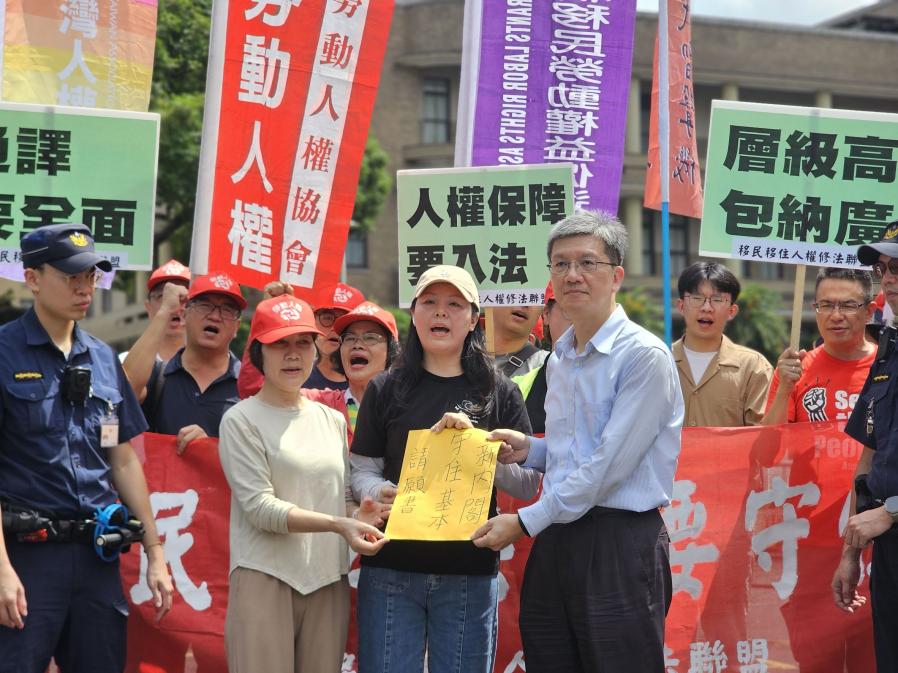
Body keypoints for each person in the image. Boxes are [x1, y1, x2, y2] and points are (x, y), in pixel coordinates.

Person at [471, 210, 683, 673]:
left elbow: (610, 466)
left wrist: (526, 522)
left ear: (617, 276)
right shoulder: (561, 359)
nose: (573, 275)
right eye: (560, 264)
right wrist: (531, 449)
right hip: (559, 537)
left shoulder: (643, 356)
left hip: (618, 542)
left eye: (588, 263)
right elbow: (577, 451)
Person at [0, 223, 173, 673]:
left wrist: (156, 554)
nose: (85, 288)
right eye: (71, 276)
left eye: (91, 276)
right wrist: (1, 569)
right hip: (25, 559)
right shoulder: (3, 354)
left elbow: (121, 457)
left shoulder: (101, 358)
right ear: (33, 278)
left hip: (97, 557)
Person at [349, 264, 538, 673]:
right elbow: (362, 469)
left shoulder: (498, 391)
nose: (440, 313)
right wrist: (377, 490)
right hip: (391, 569)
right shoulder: (385, 388)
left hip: (468, 570)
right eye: (429, 303)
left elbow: (526, 485)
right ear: (413, 313)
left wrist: (480, 448)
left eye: (454, 304)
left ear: (473, 319)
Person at [218, 294, 387, 673]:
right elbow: (261, 509)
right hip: (265, 577)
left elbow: (341, 497)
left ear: (315, 350)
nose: (293, 354)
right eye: (280, 343)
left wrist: (361, 513)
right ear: (259, 352)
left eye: (302, 343)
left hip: (328, 580)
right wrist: (338, 524)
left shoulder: (331, 419)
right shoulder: (241, 420)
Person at [834, 224, 898, 673]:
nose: (887, 278)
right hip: (886, 548)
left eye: (897, 266)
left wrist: (893, 510)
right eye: (882, 268)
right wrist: (850, 552)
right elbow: (870, 453)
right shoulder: (889, 346)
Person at [123, 272, 244, 452]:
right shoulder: (158, 377)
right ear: (184, 315)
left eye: (226, 310)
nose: (215, 317)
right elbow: (124, 391)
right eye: (205, 306)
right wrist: (164, 311)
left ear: (237, 327)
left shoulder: (250, 386)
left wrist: (210, 448)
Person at [763, 267, 875, 426]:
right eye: (826, 305)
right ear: (815, 309)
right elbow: (769, 444)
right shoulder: (793, 371)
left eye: (848, 306)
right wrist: (784, 391)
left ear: (869, 311)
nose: (836, 316)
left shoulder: (888, 366)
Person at [672, 262, 772, 427]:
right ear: (681, 306)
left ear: (732, 311)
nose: (707, 308)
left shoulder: (753, 368)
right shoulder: (659, 361)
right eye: (697, 298)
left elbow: (762, 438)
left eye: (717, 299)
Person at [330, 301, 401, 439]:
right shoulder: (321, 404)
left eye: (370, 338)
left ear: (391, 350)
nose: (357, 345)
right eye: (350, 338)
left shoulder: (409, 408)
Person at [119, 259, 191, 363]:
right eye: (163, 296)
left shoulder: (211, 365)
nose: (174, 305)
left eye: (183, 296)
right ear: (148, 308)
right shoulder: (123, 362)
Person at [303, 282, 366, 391]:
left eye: (345, 320)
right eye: (327, 318)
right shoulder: (296, 378)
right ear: (312, 321)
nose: (335, 328)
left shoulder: (375, 383)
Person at [492, 304, 547, 378]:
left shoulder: (549, 365)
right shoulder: (472, 357)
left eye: (533, 297)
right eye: (515, 292)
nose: (525, 303)